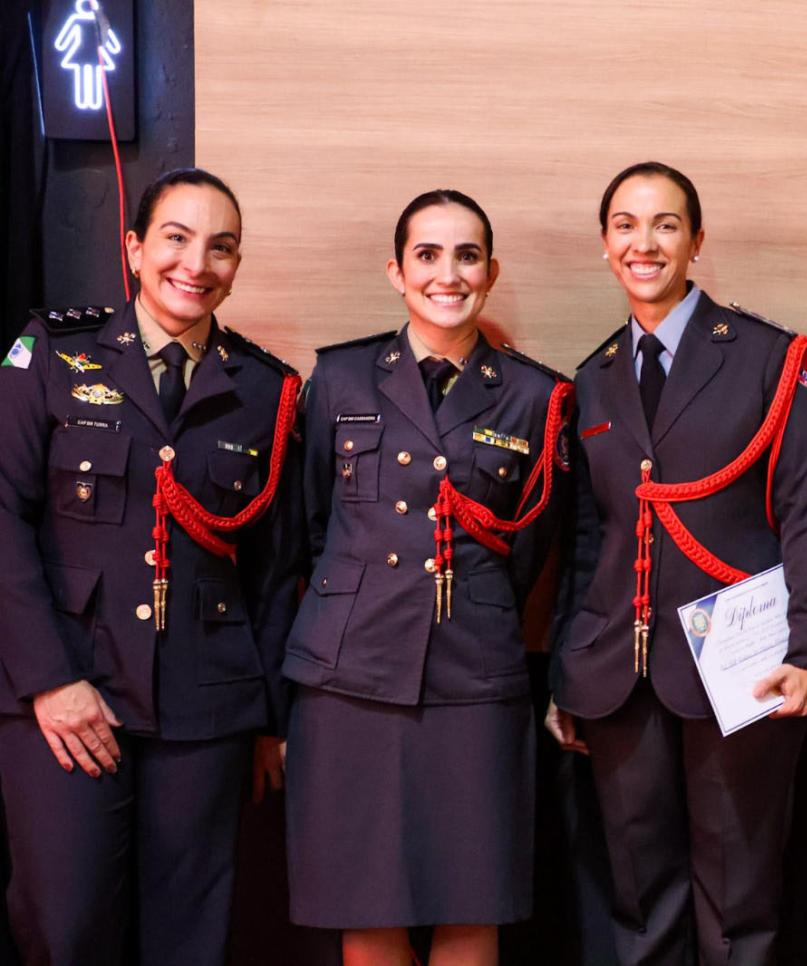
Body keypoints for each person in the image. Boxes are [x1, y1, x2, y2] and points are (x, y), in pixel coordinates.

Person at [0, 167, 304, 966]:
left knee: (189, 939)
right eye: (176, 238)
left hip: (206, 705)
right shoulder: (51, 353)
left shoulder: (266, 390)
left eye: (220, 247)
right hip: (69, 692)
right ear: (134, 248)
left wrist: (268, 718)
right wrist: (48, 680)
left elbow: (274, 571)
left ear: (236, 265)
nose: (195, 264)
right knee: (66, 927)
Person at [544, 161, 807, 965]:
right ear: (605, 243)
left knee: (738, 900)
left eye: (665, 225)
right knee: (640, 903)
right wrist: (568, 670)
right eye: (626, 226)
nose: (644, 244)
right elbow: (588, 540)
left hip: (740, 666)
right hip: (619, 674)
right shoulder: (595, 377)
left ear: (696, 240)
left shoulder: (765, 355)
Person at [283, 189, 572, 966]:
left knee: (471, 904)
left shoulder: (535, 396)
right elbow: (309, 527)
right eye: (428, 255)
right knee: (366, 906)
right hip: (349, 676)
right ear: (396, 271)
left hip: (473, 674)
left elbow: (531, 547)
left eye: (467, 256)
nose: (449, 274)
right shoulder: (340, 377)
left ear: (491, 272)